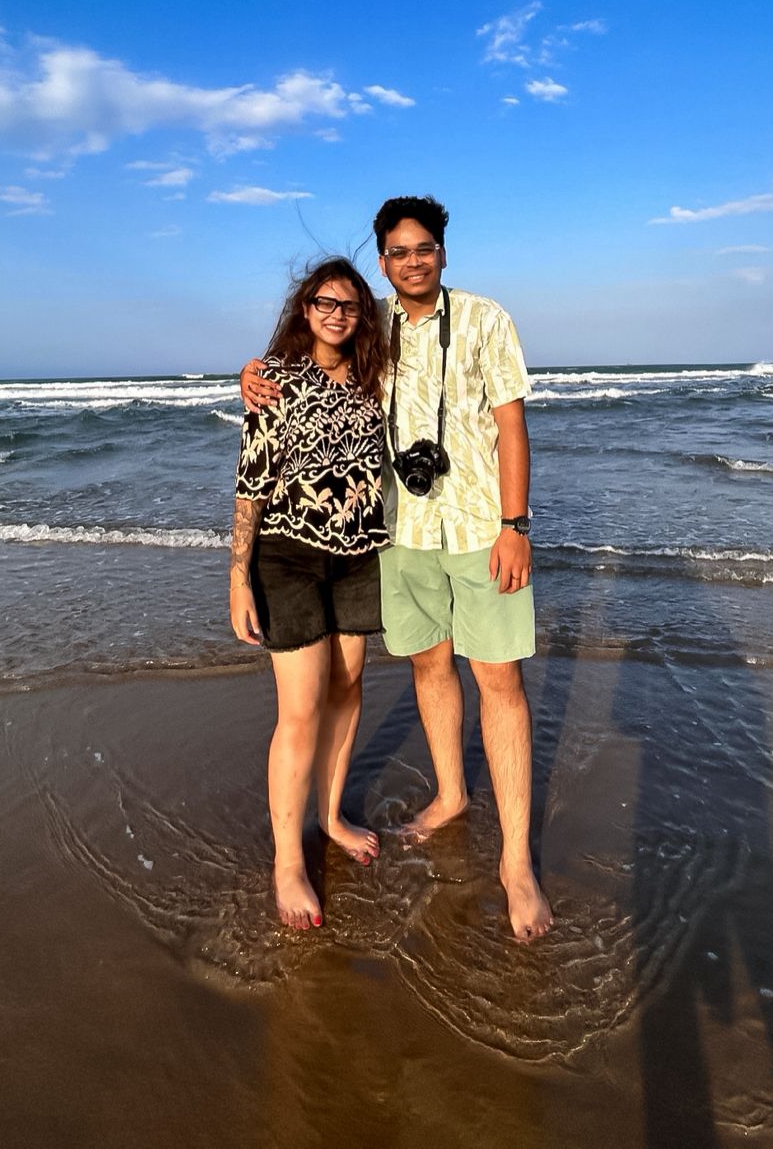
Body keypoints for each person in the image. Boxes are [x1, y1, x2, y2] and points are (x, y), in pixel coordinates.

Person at [244, 197, 553, 941]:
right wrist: (251, 372)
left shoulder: (485, 319)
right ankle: (451, 795)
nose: (413, 262)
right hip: (401, 532)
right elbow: (305, 357)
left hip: (479, 527)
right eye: (398, 252)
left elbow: (512, 425)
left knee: (499, 680)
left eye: (424, 249)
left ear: (443, 252)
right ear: (382, 261)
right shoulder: (369, 324)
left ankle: (516, 865)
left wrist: (515, 526)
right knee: (429, 666)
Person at [230, 257, 389, 931]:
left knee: (347, 686)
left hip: (360, 557)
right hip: (288, 558)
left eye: (349, 305)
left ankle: (330, 815)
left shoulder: (378, 379)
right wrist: (238, 576)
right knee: (299, 709)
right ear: (306, 308)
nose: (336, 314)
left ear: (362, 315)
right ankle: (288, 860)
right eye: (325, 302)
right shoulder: (276, 380)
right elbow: (251, 482)